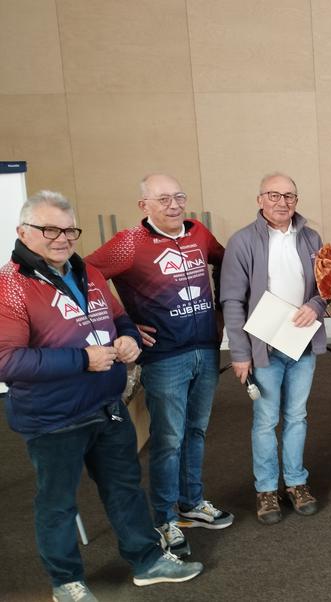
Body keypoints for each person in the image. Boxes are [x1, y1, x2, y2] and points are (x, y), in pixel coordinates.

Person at [0, 191, 203, 602]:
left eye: (69, 230)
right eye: (50, 230)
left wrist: (128, 339)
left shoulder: (87, 270)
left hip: (107, 406)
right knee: (58, 504)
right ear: (23, 232)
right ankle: (66, 582)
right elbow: (6, 361)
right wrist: (83, 359)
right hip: (53, 418)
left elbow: (119, 318)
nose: (62, 238)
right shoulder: (10, 285)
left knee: (125, 488)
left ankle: (147, 561)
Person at [85, 174, 231, 557]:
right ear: (144, 205)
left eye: (178, 197)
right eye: (163, 199)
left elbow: (228, 262)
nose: (174, 205)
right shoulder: (129, 242)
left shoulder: (198, 232)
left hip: (206, 349)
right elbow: (84, 275)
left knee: (196, 430)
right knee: (168, 439)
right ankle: (165, 517)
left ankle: (191, 502)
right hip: (166, 357)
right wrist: (123, 325)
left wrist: (221, 311)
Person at [220, 173, 326, 525]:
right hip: (263, 346)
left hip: (301, 344)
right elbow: (232, 300)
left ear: (296, 200)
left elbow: (326, 287)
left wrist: (315, 305)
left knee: (297, 416)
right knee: (266, 420)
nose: (282, 202)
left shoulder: (311, 238)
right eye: (274, 195)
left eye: (289, 196)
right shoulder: (242, 241)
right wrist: (239, 353)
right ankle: (266, 489)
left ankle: (296, 482)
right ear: (260, 200)